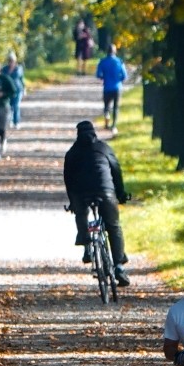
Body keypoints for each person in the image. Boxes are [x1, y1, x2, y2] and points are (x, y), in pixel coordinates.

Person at [63, 119, 129, 286]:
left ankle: (85, 240)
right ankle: (119, 266)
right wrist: (120, 194)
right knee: (113, 227)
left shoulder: (72, 153)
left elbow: (68, 180)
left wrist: (73, 203)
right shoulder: (104, 148)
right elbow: (116, 171)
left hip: (81, 193)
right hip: (105, 191)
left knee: (81, 213)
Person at [95, 43, 127, 131]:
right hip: (117, 87)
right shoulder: (119, 61)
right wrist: (119, 79)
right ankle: (114, 125)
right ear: (115, 51)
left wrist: (103, 77)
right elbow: (124, 75)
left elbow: (98, 74)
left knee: (106, 106)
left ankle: (107, 118)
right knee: (116, 107)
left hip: (107, 87)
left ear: (107, 51)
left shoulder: (102, 61)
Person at [5, 52, 27, 127]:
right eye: (10, 60)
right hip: (8, 91)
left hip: (18, 90)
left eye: (12, 60)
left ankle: (16, 121)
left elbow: (22, 79)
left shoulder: (19, 68)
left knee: (16, 106)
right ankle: (10, 120)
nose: (11, 62)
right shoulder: (4, 69)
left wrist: (24, 89)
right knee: (9, 106)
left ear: (15, 61)